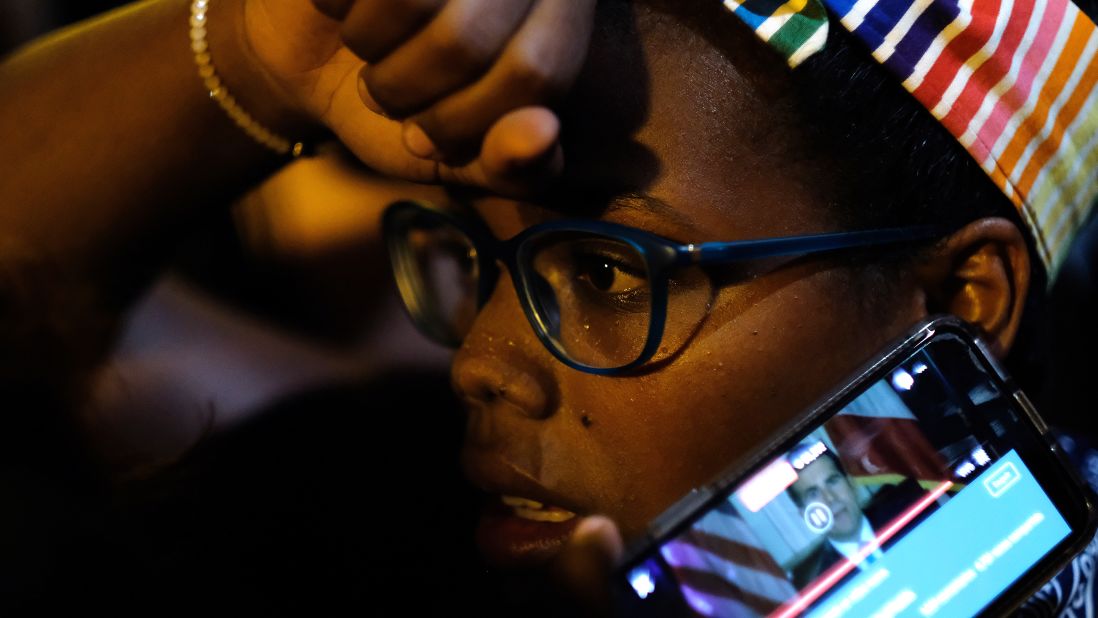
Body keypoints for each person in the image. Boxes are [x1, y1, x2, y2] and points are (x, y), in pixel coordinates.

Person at [1, 0, 1096, 614]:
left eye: (616, 272)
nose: (479, 361)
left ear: (960, 300)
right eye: (478, 255)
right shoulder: (363, 513)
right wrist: (260, 52)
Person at [787, 450, 931, 589]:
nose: (830, 498)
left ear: (851, 484)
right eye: (813, 494)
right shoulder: (821, 589)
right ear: (805, 515)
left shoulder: (915, 507)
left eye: (832, 481)